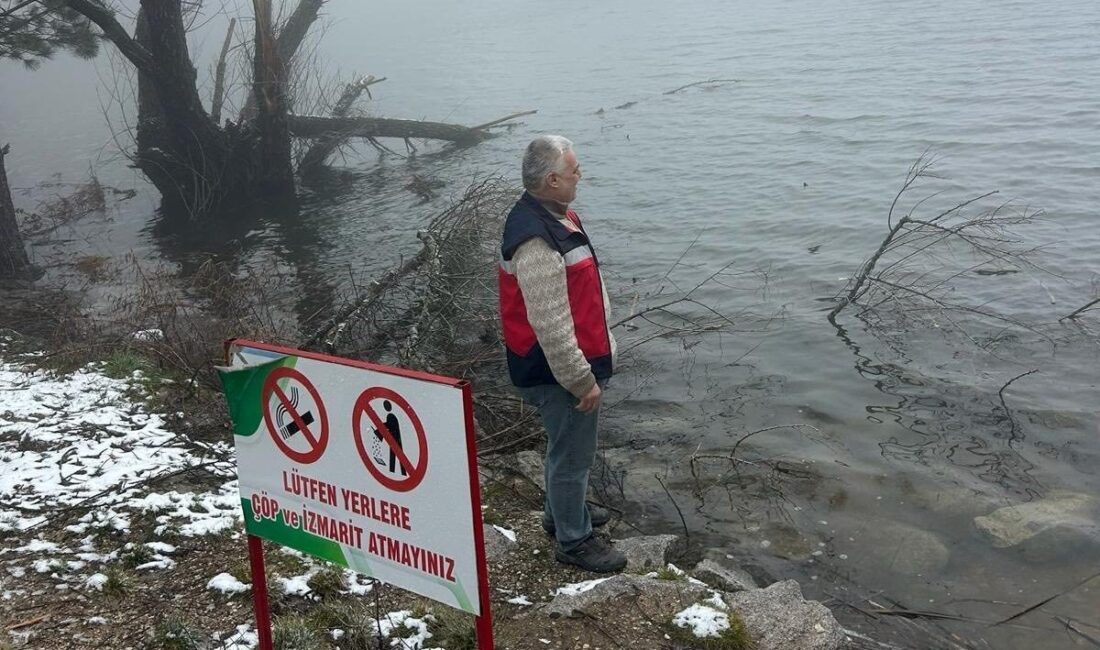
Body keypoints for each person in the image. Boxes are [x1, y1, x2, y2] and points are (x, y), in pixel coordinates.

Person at [498, 135, 626, 573]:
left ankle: (561, 515)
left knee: (566, 447)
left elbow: (579, 291)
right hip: (558, 371)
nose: (580, 178)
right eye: (575, 172)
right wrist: (581, 380)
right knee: (572, 456)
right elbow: (550, 325)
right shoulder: (536, 238)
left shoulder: (557, 216)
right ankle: (574, 541)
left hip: (573, 360)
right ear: (552, 180)